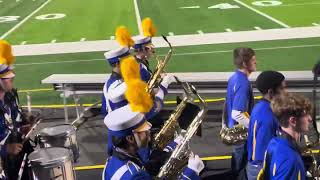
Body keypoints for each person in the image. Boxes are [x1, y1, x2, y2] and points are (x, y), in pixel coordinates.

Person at [102, 104, 205, 179]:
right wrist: (191, 173)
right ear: (130, 139)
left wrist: (171, 148)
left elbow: (145, 164)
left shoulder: (113, 161)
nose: (149, 133)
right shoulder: (133, 175)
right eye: (143, 131)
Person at [258, 93, 312, 180]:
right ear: (293, 121)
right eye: (305, 115)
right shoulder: (290, 159)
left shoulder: (274, 142)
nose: (310, 119)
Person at [0, 40, 33, 180]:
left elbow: (13, 124)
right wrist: (6, 149)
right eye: (6, 76)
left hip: (18, 159)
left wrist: (23, 128)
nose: (12, 77)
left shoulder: (11, 96)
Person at [246, 71, 286, 180]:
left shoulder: (261, 106)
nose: (285, 92)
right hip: (261, 170)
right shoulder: (266, 117)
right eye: (282, 89)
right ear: (271, 92)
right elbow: (263, 154)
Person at [225, 47, 256, 179]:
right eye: (253, 60)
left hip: (235, 132)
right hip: (241, 135)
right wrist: (255, 128)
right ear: (244, 64)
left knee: (236, 165)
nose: (256, 63)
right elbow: (237, 113)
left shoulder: (234, 77)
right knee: (241, 170)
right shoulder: (243, 82)